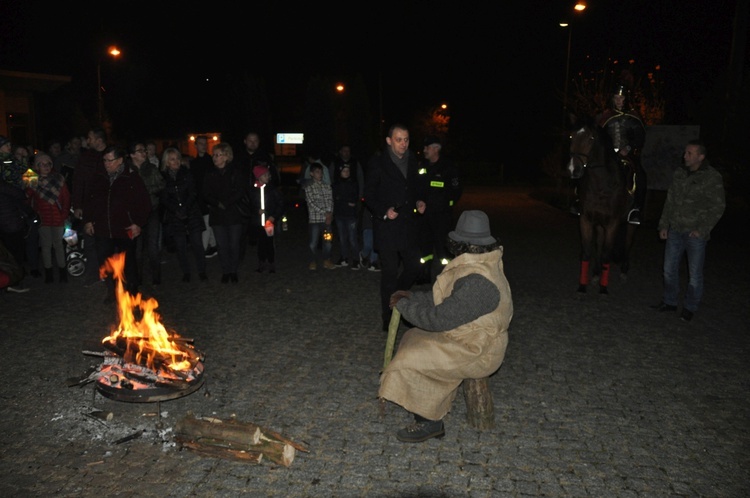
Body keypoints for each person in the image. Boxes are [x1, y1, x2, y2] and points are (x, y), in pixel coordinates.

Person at [379, 210, 513, 443]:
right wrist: (410, 296)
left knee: (415, 355)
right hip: (469, 338)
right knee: (413, 336)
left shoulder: (479, 282)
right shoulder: (480, 265)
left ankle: (430, 421)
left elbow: (438, 319)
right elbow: (445, 300)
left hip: (478, 350)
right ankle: (426, 405)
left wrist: (405, 306)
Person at [651, 140, 725, 322]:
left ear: (701, 157)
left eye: (690, 153)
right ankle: (670, 302)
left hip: (695, 233)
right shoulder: (679, 174)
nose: (685, 156)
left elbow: (718, 206)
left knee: (695, 274)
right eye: (685, 152)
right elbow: (670, 201)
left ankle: (690, 307)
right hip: (675, 229)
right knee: (669, 269)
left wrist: (702, 229)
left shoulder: (712, 177)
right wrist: (663, 225)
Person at [364, 123, 425, 331]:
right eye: (399, 139)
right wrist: (384, 211)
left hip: (408, 226)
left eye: (406, 139)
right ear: (389, 141)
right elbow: (369, 195)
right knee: (389, 272)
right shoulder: (378, 163)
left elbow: (416, 187)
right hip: (387, 227)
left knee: (415, 266)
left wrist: (419, 201)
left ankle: (396, 296)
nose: (403, 144)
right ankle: (387, 316)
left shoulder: (413, 160)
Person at [81, 145, 151, 301]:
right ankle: (112, 291)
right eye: (104, 160)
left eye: (110, 160)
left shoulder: (131, 177)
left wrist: (138, 223)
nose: (106, 163)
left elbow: (144, 203)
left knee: (129, 262)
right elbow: (89, 201)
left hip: (125, 228)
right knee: (106, 262)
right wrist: (88, 221)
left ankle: (132, 291)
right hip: (103, 229)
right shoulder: (98, 177)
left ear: (120, 160)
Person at [597, 83, 647, 225]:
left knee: (640, 175)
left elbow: (640, 137)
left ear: (626, 99)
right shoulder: (605, 116)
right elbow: (599, 136)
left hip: (628, 154)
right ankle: (579, 200)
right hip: (608, 154)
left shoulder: (633, 116)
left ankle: (636, 210)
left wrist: (629, 147)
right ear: (612, 99)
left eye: (621, 97)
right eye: (616, 97)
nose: (618, 100)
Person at [416, 135, 462, 283]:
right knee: (424, 247)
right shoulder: (422, 166)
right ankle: (425, 274)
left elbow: (456, 191)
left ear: (436, 149)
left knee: (443, 249)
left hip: (442, 217)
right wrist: (418, 201)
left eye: (427, 147)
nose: (424, 150)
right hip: (424, 216)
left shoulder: (448, 167)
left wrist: (445, 204)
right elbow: (417, 186)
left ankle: (447, 278)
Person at [202, 142, 248, 284]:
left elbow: (240, 191)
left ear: (226, 156)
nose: (215, 158)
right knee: (222, 245)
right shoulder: (209, 174)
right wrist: (217, 203)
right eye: (214, 155)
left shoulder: (235, 172)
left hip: (233, 213)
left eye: (218, 155)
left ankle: (233, 270)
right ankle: (225, 270)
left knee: (234, 244)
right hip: (217, 214)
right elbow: (206, 193)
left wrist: (226, 203)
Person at [160, 147, 207, 283]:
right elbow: (164, 198)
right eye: (172, 159)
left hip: (191, 212)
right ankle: (186, 271)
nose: (176, 162)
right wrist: (176, 210)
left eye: (177, 158)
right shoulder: (163, 177)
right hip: (175, 215)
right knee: (180, 246)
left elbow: (193, 192)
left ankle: (202, 270)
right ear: (167, 162)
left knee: (197, 243)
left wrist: (186, 208)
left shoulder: (186, 173)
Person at [25, 153, 71, 283]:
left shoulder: (59, 179)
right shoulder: (33, 180)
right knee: (45, 246)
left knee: (59, 246)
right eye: (42, 164)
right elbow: (28, 198)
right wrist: (28, 183)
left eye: (48, 164)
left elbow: (66, 199)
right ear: (37, 166)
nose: (45, 167)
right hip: (43, 219)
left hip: (58, 218)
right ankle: (49, 273)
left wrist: (64, 215)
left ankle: (63, 273)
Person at [72, 127, 108, 284]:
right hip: (88, 204)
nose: (88, 141)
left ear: (99, 140)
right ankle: (94, 273)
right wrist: (78, 204)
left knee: (107, 241)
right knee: (90, 241)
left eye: (90, 138)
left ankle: (109, 272)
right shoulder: (85, 157)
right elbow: (78, 182)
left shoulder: (111, 156)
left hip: (107, 204)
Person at [128, 141, 165, 286]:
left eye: (144, 150)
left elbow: (161, 185)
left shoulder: (152, 168)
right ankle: (138, 277)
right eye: (140, 151)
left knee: (153, 247)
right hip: (134, 215)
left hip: (151, 212)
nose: (144, 153)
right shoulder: (126, 170)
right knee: (136, 249)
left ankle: (156, 276)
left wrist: (145, 190)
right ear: (132, 155)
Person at [0, 135, 31, 292]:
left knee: (13, 249)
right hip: (8, 215)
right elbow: (8, 184)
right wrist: (20, 192)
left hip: (12, 212)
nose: (9, 148)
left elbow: (22, 170)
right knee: (12, 251)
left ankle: (13, 279)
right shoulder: (3, 162)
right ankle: (13, 280)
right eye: (6, 146)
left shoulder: (10, 159)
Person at [246, 165, 285, 273]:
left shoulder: (272, 189)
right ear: (259, 177)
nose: (269, 176)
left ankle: (271, 263)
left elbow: (280, 204)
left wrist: (274, 216)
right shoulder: (252, 190)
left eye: (268, 174)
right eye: (266, 175)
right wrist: (255, 211)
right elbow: (247, 205)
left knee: (269, 242)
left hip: (269, 222)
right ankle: (261, 263)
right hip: (258, 222)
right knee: (260, 243)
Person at [189, 135, 217, 259]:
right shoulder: (193, 163)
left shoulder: (211, 161)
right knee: (206, 222)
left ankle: (204, 249)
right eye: (200, 143)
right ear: (195, 145)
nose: (203, 146)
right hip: (198, 198)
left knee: (206, 223)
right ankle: (213, 246)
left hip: (208, 197)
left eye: (205, 143)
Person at [303, 162, 335, 270]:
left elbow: (331, 201)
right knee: (313, 243)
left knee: (328, 242)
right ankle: (312, 261)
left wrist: (330, 214)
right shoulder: (309, 187)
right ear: (311, 173)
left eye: (321, 172)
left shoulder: (327, 187)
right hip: (315, 220)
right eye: (317, 172)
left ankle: (327, 260)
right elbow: (311, 203)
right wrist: (324, 213)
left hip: (327, 220)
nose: (320, 174)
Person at [332, 163, 361, 269]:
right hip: (339, 214)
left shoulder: (353, 183)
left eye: (348, 171)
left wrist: (343, 199)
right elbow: (336, 198)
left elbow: (354, 198)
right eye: (344, 171)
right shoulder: (336, 184)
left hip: (351, 215)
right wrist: (344, 200)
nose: (346, 173)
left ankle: (356, 259)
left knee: (352, 238)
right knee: (342, 238)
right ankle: (344, 258)